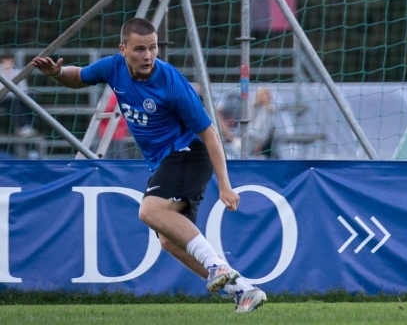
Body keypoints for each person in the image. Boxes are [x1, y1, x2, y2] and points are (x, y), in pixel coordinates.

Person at [32, 18, 266, 313]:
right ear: (123, 50)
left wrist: (225, 184)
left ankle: (217, 267)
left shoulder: (171, 82)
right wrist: (57, 73)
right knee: (169, 241)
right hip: (166, 160)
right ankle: (244, 290)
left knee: (149, 210)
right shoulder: (112, 67)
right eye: (140, 49)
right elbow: (78, 76)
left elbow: (210, 134)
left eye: (153, 48)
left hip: (189, 153)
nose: (147, 56)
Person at [0, 55, 37, 137]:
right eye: (5, 61)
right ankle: (25, 126)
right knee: (16, 103)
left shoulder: (17, 72)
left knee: (28, 100)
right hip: (3, 99)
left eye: (9, 61)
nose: (7, 64)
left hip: (17, 98)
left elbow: (24, 89)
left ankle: (27, 127)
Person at [248, 87, 275, 159]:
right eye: (264, 94)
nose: (267, 96)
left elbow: (268, 127)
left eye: (268, 94)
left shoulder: (269, 110)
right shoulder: (252, 107)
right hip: (251, 137)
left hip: (265, 140)